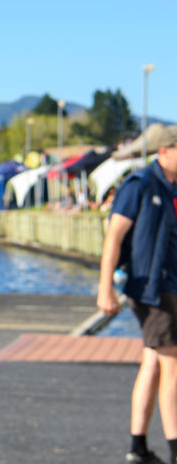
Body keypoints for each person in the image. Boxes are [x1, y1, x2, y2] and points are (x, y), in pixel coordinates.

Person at [98, 127, 177, 464]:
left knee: (153, 363)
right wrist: (105, 287)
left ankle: (137, 447)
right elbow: (114, 236)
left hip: (168, 285)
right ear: (164, 151)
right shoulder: (140, 183)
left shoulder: (171, 187)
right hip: (152, 288)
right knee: (173, 366)